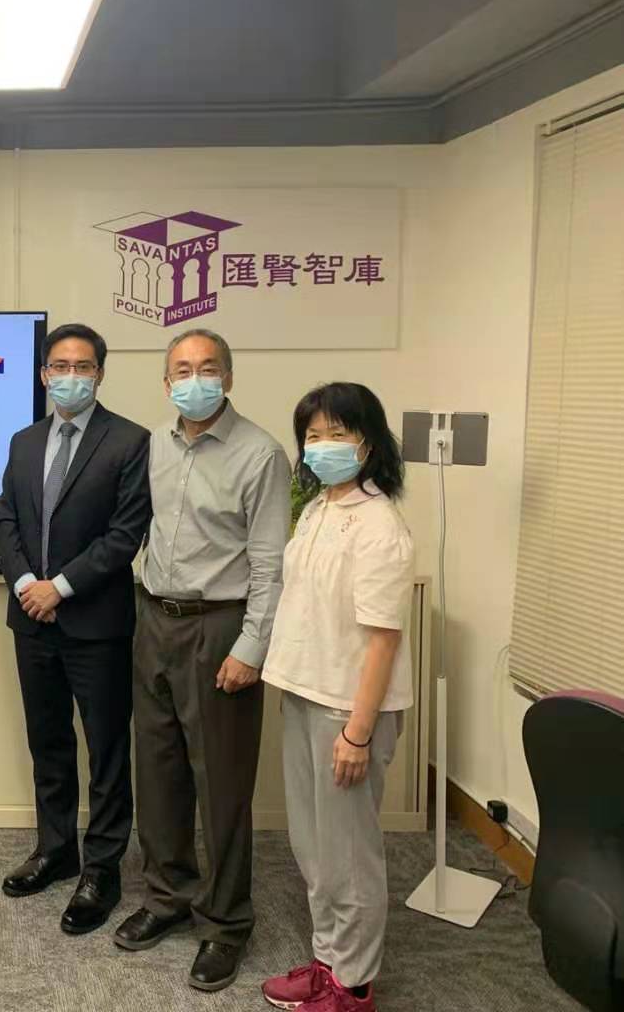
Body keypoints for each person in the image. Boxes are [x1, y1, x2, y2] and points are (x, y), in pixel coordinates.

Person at [118, 327, 291, 992]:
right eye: (182, 370)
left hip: (219, 627)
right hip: (153, 619)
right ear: (166, 383)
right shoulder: (154, 446)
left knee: (220, 784)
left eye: (207, 368)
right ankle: (167, 897)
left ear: (228, 376)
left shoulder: (260, 454)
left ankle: (224, 922)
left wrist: (251, 647)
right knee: (157, 772)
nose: (195, 380)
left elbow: (270, 563)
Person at [0, 322, 152, 935]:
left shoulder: (129, 441)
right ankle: (56, 849)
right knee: (49, 741)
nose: (70, 376)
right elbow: (5, 520)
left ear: (100, 374)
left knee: (107, 750)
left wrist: (57, 587)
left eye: (83, 366)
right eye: (59, 366)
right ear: (43, 374)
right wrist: (24, 585)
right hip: (31, 620)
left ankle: (102, 870)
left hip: (96, 622)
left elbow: (125, 534)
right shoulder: (23, 441)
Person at [259, 383, 413, 1012]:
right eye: (312, 435)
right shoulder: (321, 507)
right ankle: (328, 961)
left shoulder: (379, 525)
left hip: (347, 710)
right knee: (315, 847)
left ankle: (353, 985)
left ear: (368, 442)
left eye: (337, 434)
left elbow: (383, 639)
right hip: (305, 692)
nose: (322, 446)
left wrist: (357, 731)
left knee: (348, 855)